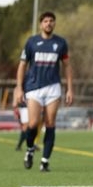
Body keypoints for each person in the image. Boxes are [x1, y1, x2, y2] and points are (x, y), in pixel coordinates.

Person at [13, 11, 73, 172]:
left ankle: (45, 161)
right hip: (34, 87)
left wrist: (70, 89)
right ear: (41, 24)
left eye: (51, 21)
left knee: (50, 123)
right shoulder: (32, 42)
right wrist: (19, 88)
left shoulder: (60, 43)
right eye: (46, 21)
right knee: (32, 124)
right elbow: (22, 65)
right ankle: (30, 149)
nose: (49, 24)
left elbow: (67, 66)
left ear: (54, 24)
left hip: (53, 87)